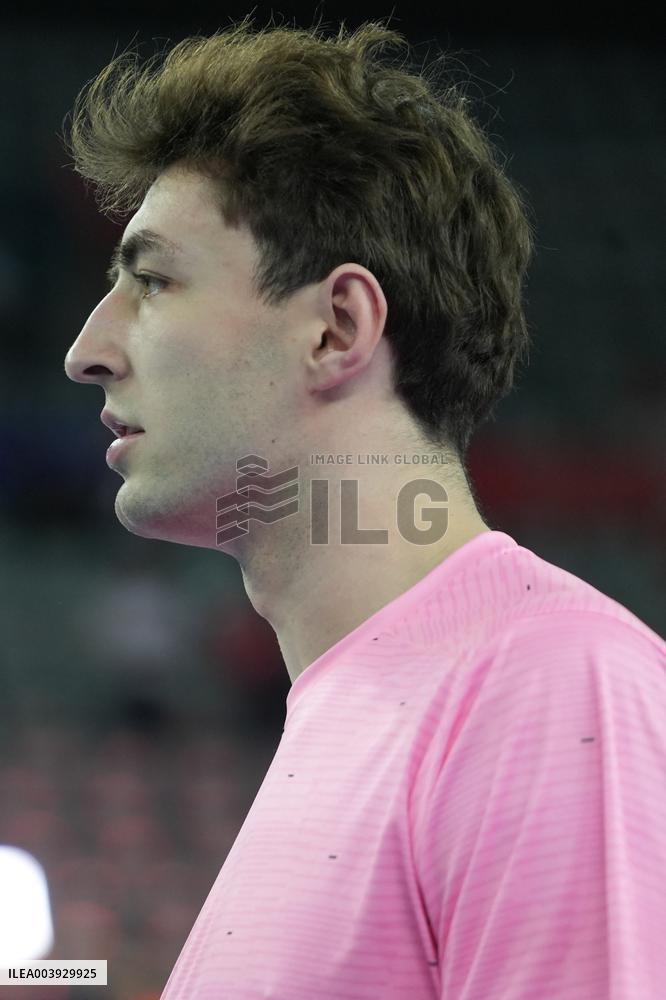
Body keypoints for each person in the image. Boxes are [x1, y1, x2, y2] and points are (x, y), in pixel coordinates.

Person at [62, 16, 666, 1000]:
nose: (87, 348)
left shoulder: (551, 686)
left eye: (155, 280)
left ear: (338, 328)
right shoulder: (357, 715)